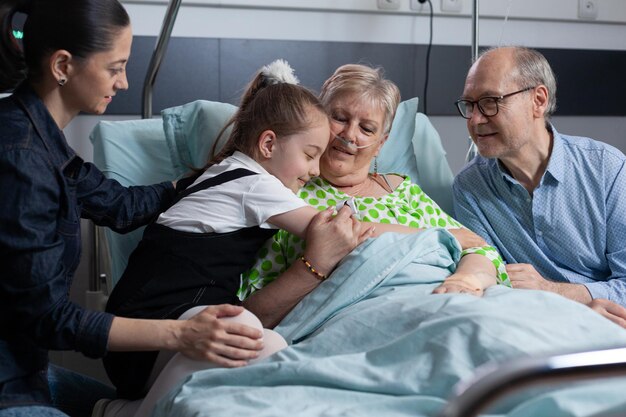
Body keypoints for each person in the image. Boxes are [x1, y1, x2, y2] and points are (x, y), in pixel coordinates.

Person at [0, 2, 270, 416]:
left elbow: (119, 205)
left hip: (25, 370)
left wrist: (198, 183)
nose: (124, 82)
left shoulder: (42, 139)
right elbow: (50, 318)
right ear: (62, 66)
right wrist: (182, 334)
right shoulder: (20, 157)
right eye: (115, 67)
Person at [97, 59, 376, 417]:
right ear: (269, 144)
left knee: (270, 345)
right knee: (242, 328)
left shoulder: (227, 171)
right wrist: (435, 232)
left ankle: (121, 410)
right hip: (145, 336)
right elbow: (332, 228)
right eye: (310, 155)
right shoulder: (254, 184)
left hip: (155, 342)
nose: (312, 170)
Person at [240, 63, 512, 329]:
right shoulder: (288, 194)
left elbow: (480, 247)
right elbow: (254, 312)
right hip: (369, 320)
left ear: (381, 144)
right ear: (318, 119)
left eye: (367, 129)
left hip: (448, 302)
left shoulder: (402, 191)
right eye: (340, 118)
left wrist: (465, 280)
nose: (349, 135)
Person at [452, 46, 626, 328]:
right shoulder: (470, 187)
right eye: (469, 105)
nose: (475, 120)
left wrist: (559, 294)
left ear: (538, 100)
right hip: (532, 324)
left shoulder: (608, 170)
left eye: (489, 101)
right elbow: (490, 277)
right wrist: (568, 311)